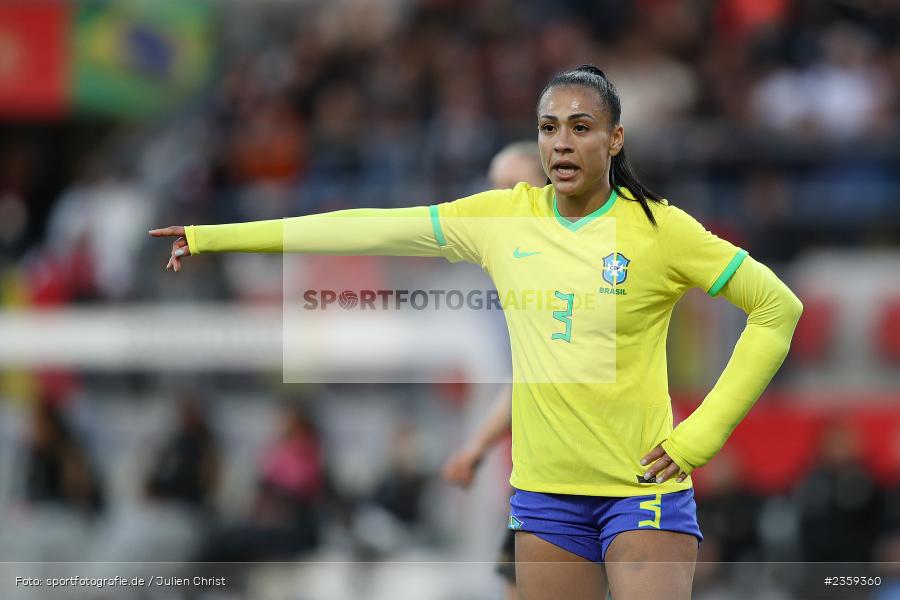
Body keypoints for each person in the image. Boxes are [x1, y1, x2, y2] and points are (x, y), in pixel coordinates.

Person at [151, 65, 802, 600]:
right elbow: (367, 227)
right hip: (546, 495)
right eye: (550, 129)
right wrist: (213, 236)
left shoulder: (662, 229)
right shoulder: (502, 218)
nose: (563, 143)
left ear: (616, 139)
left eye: (582, 128)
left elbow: (778, 310)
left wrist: (700, 436)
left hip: (642, 490)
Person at [441, 140, 545, 600]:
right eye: (494, 188)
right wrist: (479, 447)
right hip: (539, 469)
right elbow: (529, 376)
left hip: (600, 472)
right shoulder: (504, 272)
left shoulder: (587, 265)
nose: (500, 201)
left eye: (515, 188)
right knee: (515, 586)